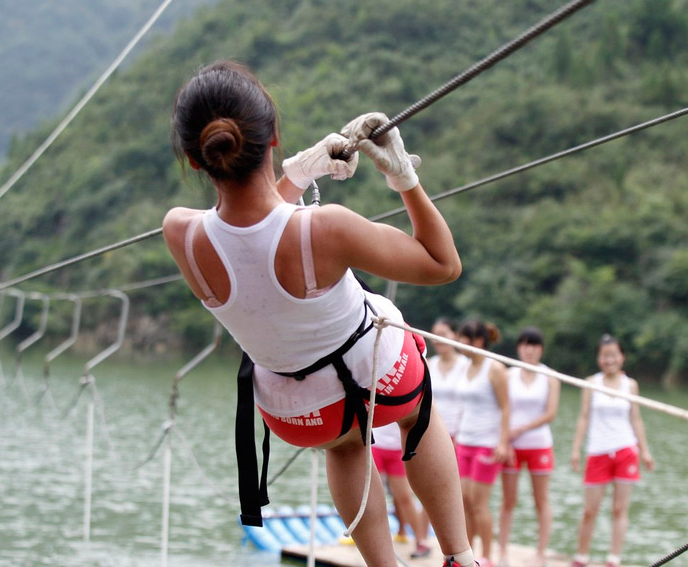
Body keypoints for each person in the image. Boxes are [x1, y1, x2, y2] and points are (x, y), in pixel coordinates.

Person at [162, 60, 475, 567]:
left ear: (196, 161)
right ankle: (460, 556)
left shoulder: (182, 234)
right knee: (419, 413)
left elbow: (250, 238)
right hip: (384, 384)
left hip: (297, 416)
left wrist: (296, 177)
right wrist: (404, 177)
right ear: (274, 137)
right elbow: (443, 264)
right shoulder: (324, 229)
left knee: (346, 445)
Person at [569, 335, 654, 567]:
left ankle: (614, 558)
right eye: (605, 355)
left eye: (614, 355)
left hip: (626, 450)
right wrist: (576, 449)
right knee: (590, 510)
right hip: (597, 452)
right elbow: (584, 417)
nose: (609, 360)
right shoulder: (591, 382)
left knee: (619, 508)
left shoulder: (631, 385)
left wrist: (645, 451)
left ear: (622, 356)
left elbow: (636, 419)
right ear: (599, 358)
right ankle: (581, 556)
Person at [498, 327, 560, 567]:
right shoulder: (508, 375)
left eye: (534, 345)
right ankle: (502, 551)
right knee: (508, 500)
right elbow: (502, 409)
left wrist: (521, 430)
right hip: (511, 447)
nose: (530, 349)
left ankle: (541, 553)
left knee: (541, 500)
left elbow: (550, 413)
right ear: (519, 348)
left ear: (541, 349)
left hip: (539, 445)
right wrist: (505, 440)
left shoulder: (550, 377)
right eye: (525, 344)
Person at [454, 320, 510, 567]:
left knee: (479, 503)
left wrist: (503, 443)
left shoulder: (495, 368)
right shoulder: (465, 367)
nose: (459, 342)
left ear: (477, 341)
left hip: (487, 443)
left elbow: (506, 407)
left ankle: (488, 556)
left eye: (463, 338)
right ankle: (469, 553)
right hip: (465, 440)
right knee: (464, 500)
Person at [372, 422, 431, 558]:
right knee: (370, 495)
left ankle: (420, 541)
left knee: (404, 497)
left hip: (398, 449)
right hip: (375, 446)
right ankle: (363, 537)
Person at [427, 317, 469, 439]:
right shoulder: (429, 364)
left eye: (443, 334)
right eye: (435, 335)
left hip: (459, 434)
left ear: (455, 335)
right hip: (432, 432)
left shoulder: (466, 365)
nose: (438, 339)